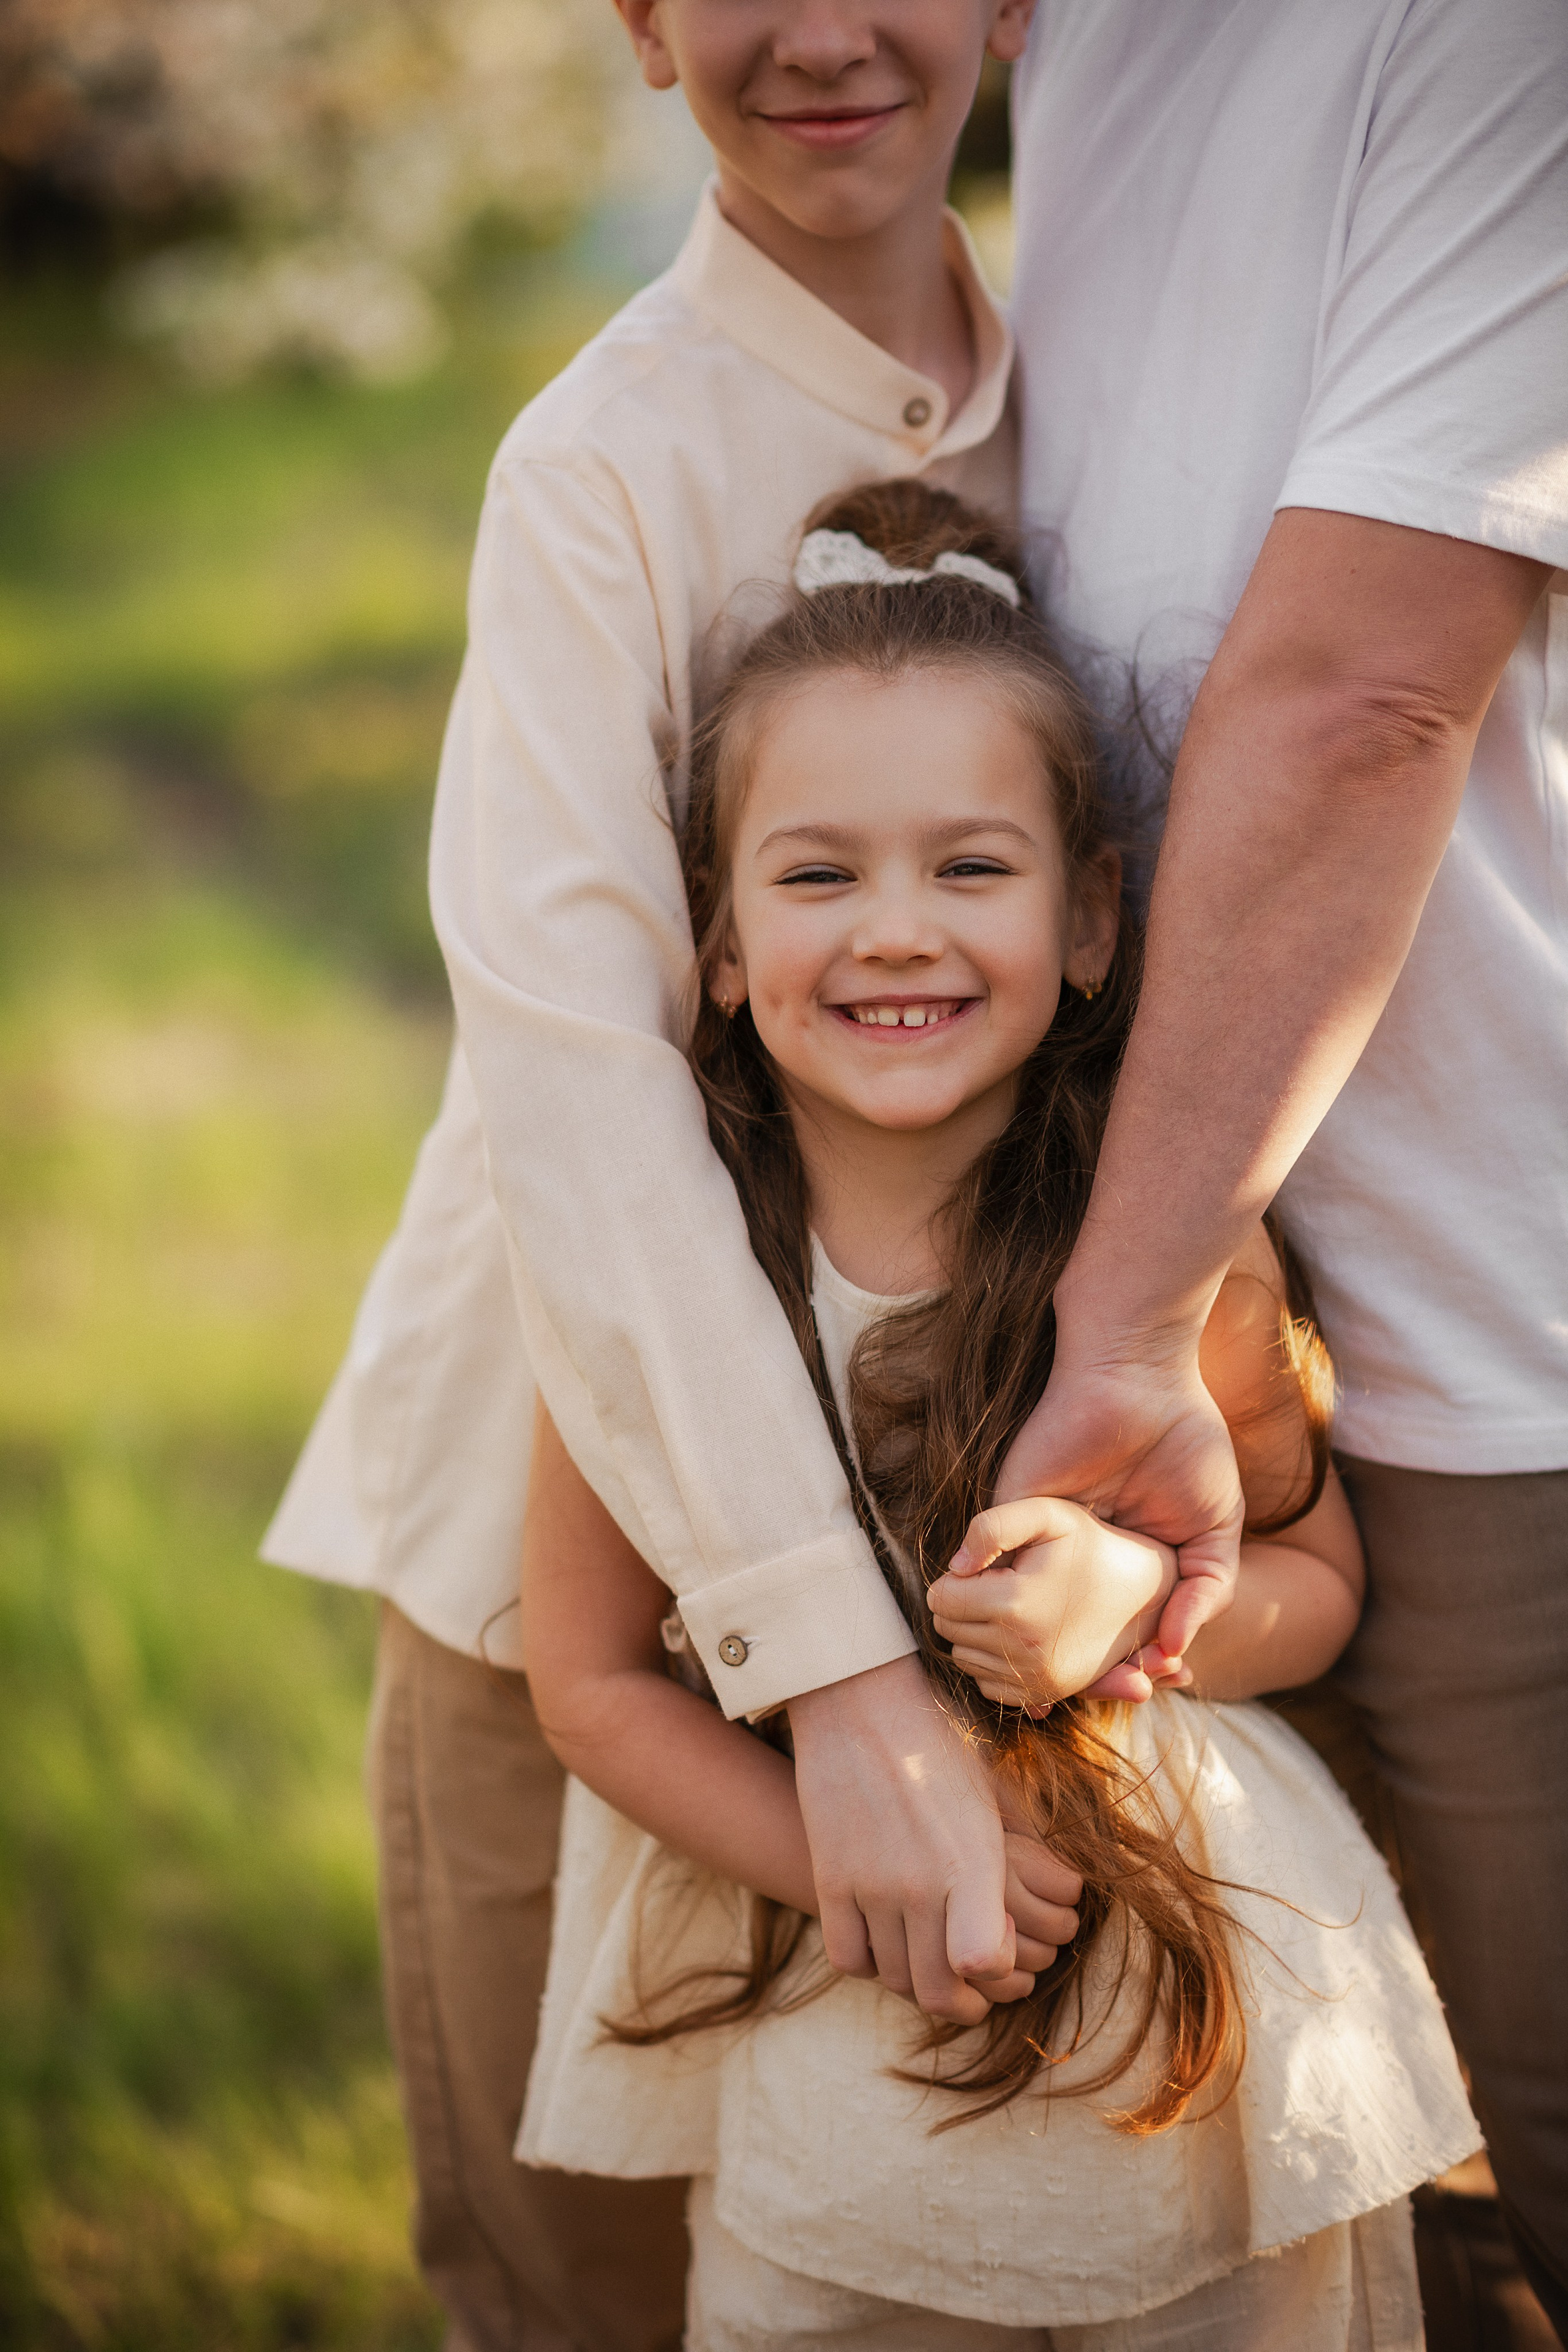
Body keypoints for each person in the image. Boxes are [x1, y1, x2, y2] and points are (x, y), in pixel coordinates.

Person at [261, 5, 1048, 2342]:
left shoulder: (1120, 401)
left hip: (997, 1503)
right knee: (583, 2264)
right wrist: (830, 1669)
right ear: (632, 24)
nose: (820, 32)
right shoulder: (594, 466)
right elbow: (577, 1088)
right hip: (580, 1559)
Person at [518, 481, 1479, 2350]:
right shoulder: (666, 1275)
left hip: (1193, 2033)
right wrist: (860, 1865)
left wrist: (1136, 1594)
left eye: (971, 870)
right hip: (840, 2033)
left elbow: (1317, 1586)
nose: (894, 932)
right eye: (816, 876)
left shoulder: (1163, 1236)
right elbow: (592, 1678)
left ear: (1095, 915)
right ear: (715, 939)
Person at [997, 1, 1568, 2321]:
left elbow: (1364, 695)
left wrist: (1128, 1321)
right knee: (1347, 2234)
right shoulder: (1080, 40)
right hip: (1210, 1349)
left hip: (1488, 1352)